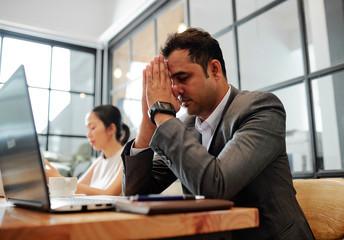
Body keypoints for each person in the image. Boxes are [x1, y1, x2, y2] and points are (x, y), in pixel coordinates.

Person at [121, 28, 314, 239]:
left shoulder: (261, 108)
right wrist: (148, 122)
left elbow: (216, 185)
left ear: (214, 69)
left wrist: (162, 113)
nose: (175, 90)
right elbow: (135, 193)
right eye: (171, 82)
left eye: (182, 78)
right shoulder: (186, 125)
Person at [45, 104, 130, 196]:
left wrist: (60, 179)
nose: (88, 135)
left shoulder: (127, 158)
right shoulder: (99, 161)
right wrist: (56, 180)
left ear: (111, 129)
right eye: (87, 129)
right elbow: (75, 189)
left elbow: (108, 194)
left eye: (92, 128)